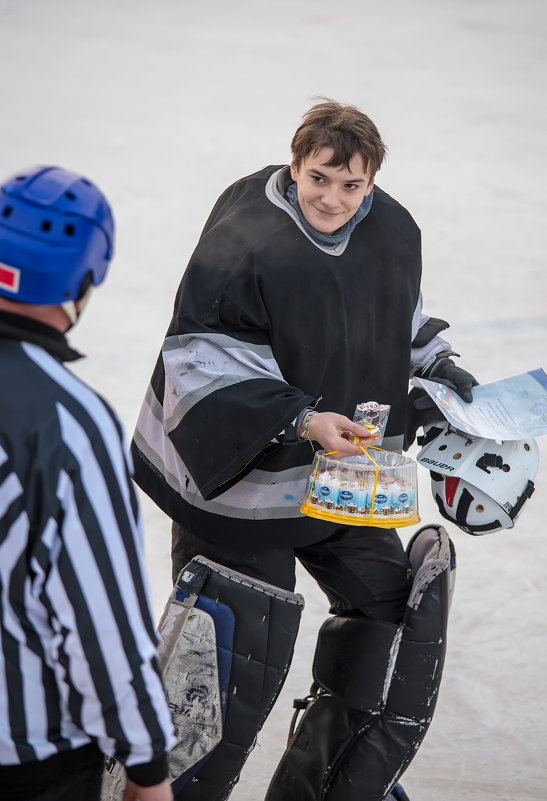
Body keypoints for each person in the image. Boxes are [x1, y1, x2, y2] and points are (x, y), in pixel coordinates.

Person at [131, 100, 476, 800]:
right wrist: (300, 418)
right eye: (320, 177)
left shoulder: (391, 228)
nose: (333, 197)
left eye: (352, 185)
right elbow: (201, 361)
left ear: (371, 182)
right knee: (230, 656)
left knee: (389, 618)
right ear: (294, 166)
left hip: (341, 478)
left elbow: (396, 312)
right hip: (232, 482)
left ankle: (326, 785)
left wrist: (438, 364)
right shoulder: (247, 236)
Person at [0, 166, 175, 801]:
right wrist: (148, 769)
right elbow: (103, 623)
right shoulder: (66, 422)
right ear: (85, 279)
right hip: (26, 758)